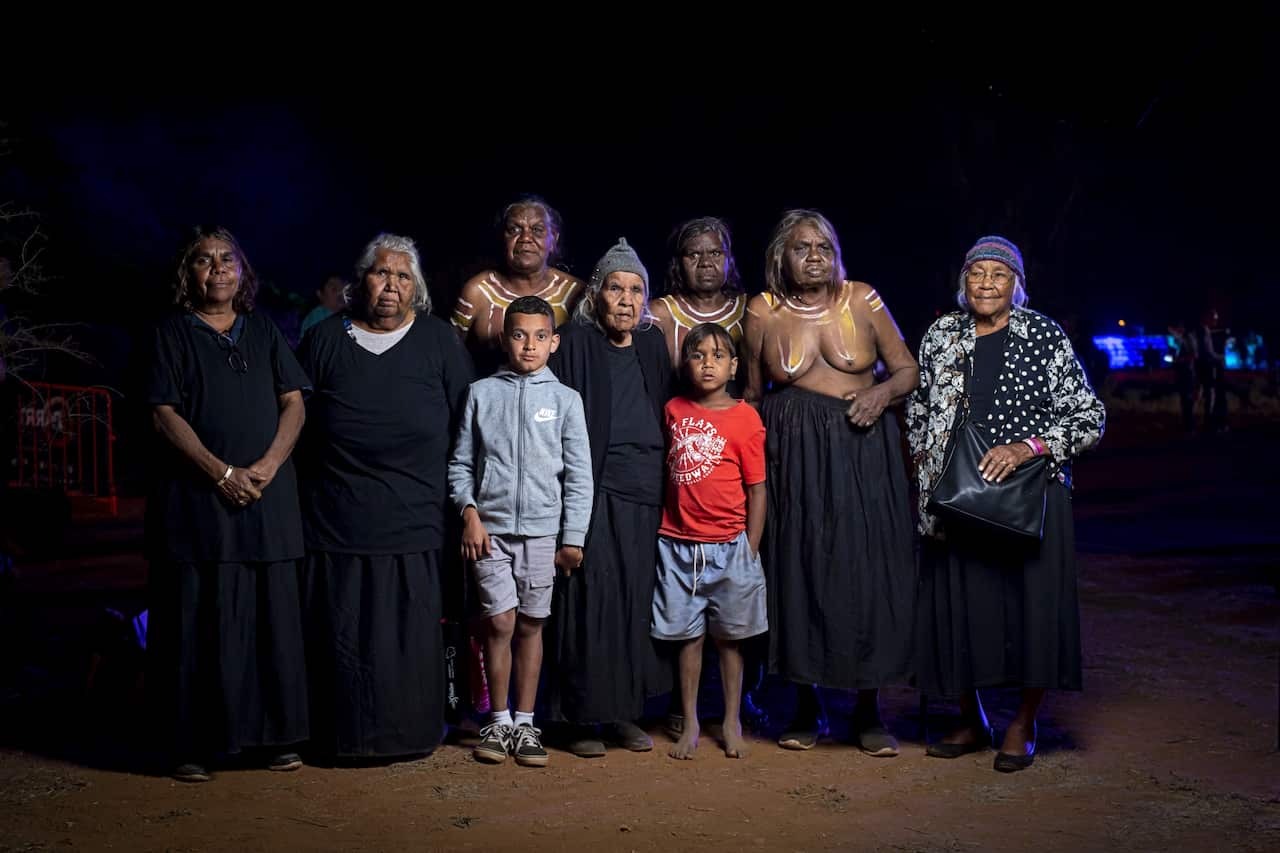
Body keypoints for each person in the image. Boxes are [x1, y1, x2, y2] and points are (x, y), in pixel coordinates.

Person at [908, 235, 1105, 772]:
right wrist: (928, 481)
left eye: (1000, 274)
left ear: (1017, 285)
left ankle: (1022, 721)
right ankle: (972, 719)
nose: (988, 283)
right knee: (963, 611)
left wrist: (1028, 448)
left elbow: (1089, 416)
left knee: (1033, 613)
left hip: (1032, 495)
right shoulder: (941, 333)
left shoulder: (1043, 335)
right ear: (963, 281)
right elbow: (920, 412)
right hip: (959, 499)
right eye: (978, 273)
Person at [742, 210, 918, 755]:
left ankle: (869, 709)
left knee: (867, 570)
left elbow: (908, 370)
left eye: (822, 245)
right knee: (797, 567)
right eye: (800, 247)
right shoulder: (762, 310)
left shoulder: (862, 299)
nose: (813, 255)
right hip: (791, 453)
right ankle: (804, 704)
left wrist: (881, 393)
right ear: (781, 257)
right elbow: (750, 394)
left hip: (862, 447)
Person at [296, 233, 474, 760]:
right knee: (342, 633)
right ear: (360, 282)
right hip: (337, 520)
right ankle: (339, 736)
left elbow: (468, 423)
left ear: (415, 286)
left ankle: (412, 734)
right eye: (380, 273)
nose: (391, 284)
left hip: (416, 520)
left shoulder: (439, 342)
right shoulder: (325, 340)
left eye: (402, 276)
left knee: (407, 638)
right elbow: (294, 421)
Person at [145, 226, 309, 782]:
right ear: (186, 273)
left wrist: (264, 467)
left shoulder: (264, 331)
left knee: (272, 620)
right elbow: (163, 413)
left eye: (228, 258)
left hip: (267, 499)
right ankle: (193, 744)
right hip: (197, 505)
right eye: (203, 259)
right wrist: (221, 473)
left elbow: (294, 403)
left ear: (243, 272)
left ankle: (275, 737)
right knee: (197, 621)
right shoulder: (170, 333)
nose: (218, 267)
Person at [448, 295, 593, 767]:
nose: (528, 345)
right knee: (500, 621)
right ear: (504, 338)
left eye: (539, 336)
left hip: (541, 533)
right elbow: (460, 464)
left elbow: (579, 475)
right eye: (518, 334)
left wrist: (572, 538)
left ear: (553, 342)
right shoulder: (480, 393)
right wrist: (469, 511)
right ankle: (499, 719)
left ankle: (527, 724)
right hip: (488, 532)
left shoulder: (567, 400)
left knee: (531, 624)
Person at [543, 238, 673, 757]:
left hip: (646, 490)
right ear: (597, 293)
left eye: (635, 290)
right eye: (616, 287)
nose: (625, 298)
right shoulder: (575, 340)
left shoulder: (651, 344)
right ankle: (578, 718)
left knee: (634, 601)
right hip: (593, 490)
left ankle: (622, 713)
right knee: (587, 600)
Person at [652, 323, 767, 760]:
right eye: (698, 355)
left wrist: (749, 548)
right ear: (686, 363)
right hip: (679, 546)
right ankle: (691, 722)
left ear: (733, 366)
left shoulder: (745, 418)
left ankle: (731, 720)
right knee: (689, 640)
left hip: (730, 547)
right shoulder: (674, 410)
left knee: (730, 641)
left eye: (718, 356)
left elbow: (757, 488)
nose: (707, 363)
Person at [452, 196, 584, 376]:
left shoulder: (575, 293)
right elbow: (446, 357)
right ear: (502, 238)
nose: (525, 238)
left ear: (553, 240)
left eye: (537, 230)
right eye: (514, 229)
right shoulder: (478, 292)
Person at [299, 274, 348, 339]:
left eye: (342, 288)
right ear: (320, 294)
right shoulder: (317, 317)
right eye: (334, 289)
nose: (340, 293)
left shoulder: (346, 316)